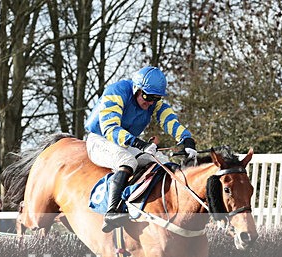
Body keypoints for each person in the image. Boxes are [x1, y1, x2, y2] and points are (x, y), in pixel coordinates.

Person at [84, 66, 199, 232]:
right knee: (127, 160)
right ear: (136, 89)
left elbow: (170, 121)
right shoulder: (116, 92)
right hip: (100, 139)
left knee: (162, 162)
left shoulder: (153, 102)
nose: (150, 102)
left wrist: (187, 139)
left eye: (155, 98)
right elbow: (110, 129)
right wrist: (140, 144)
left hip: (127, 143)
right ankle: (112, 211)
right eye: (147, 97)